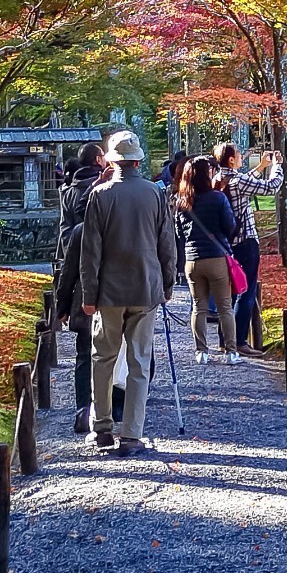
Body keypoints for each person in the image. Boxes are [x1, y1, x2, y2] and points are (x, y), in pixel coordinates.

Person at [79, 130, 178, 455]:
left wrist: (89, 295)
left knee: (103, 358)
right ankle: (133, 433)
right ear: (138, 160)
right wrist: (167, 284)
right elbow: (167, 244)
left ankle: (103, 428)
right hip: (146, 288)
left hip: (109, 290)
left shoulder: (100, 195)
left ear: (111, 161)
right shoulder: (155, 193)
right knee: (139, 361)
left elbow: (90, 251)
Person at [53, 141, 108, 434]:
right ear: (99, 160)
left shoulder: (67, 191)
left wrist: (62, 301)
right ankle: (111, 408)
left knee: (84, 353)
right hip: (107, 281)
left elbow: (64, 235)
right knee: (111, 350)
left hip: (76, 273)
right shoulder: (104, 190)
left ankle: (82, 408)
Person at [215, 142, 282, 352]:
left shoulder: (217, 179)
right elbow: (271, 187)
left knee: (228, 292)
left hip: (226, 243)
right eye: (239, 155)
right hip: (246, 241)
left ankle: (225, 338)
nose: (242, 157)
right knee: (246, 289)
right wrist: (276, 167)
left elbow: (244, 183)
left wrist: (261, 167)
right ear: (231, 160)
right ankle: (240, 340)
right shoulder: (238, 180)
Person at [175, 156, 240, 364]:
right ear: (207, 174)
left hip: (192, 258)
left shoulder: (182, 201)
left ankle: (201, 351)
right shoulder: (218, 198)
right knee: (224, 306)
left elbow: (179, 233)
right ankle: (230, 351)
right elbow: (229, 226)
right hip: (216, 257)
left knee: (198, 306)